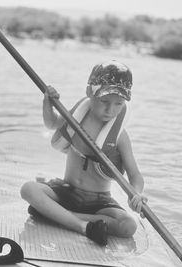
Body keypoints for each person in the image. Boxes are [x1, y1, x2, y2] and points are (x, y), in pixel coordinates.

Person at [20, 60, 147, 246]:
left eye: (118, 104)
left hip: (99, 203)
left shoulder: (120, 137)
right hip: (65, 191)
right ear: (89, 92)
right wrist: (48, 102)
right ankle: (83, 226)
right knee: (28, 189)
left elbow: (135, 175)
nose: (110, 110)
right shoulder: (79, 115)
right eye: (104, 101)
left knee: (128, 226)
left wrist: (137, 193)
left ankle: (55, 214)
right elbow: (52, 123)